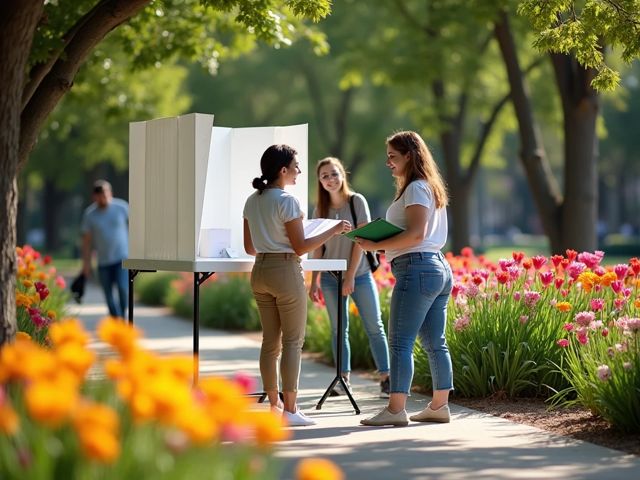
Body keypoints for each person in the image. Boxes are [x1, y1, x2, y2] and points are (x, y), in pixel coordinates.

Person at [243, 145, 351, 427]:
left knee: (270, 343)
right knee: (292, 342)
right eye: (296, 166)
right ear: (283, 170)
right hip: (286, 271)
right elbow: (301, 246)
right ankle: (291, 411)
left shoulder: (252, 201)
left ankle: (275, 407)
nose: (299, 171)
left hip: (261, 271)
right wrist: (334, 229)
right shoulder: (287, 201)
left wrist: (272, 243)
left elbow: (249, 247)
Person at [357, 131, 454, 427]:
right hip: (435, 267)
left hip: (417, 268)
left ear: (409, 155)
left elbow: (415, 234)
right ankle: (439, 406)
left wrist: (374, 244)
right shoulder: (428, 187)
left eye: (393, 156)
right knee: (435, 342)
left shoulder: (415, 188)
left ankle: (396, 409)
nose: (388, 162)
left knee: (400, 342)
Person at [309, 157, 390, 398]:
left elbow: (361, 241)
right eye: (325, 176)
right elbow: (318, 248)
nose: (330, 179)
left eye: (334, 173)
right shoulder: (320, 209)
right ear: (320, 182)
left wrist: (351, 277)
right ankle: (342, 379)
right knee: (338, 329)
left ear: (342, 174)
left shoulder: (357, 202)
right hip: (330, 278)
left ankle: (387, 377)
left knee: (374, 326)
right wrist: (314, 281)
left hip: (360, 275)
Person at [81, 179, 129, 318]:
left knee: (123, 289)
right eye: (100, 195)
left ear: (110, 193)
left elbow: (135, 227)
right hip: (103, 261)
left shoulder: (122, 207)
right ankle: (116, 319)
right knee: (108, 295)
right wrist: (86, 264)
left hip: (122, 258)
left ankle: (122, 317)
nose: (104, 198)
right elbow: (86, 241)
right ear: (94, 197)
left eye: (106, 194)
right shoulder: (90, 215)